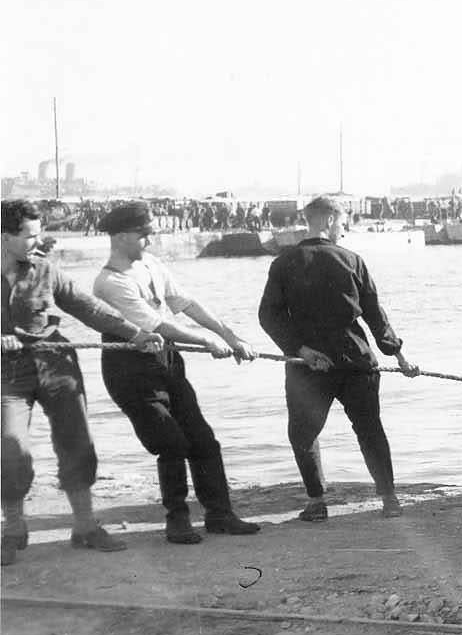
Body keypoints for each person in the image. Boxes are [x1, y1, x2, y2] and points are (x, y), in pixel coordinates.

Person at [2, 199, 164, 565]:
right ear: (5, 236)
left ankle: (85, 526)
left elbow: (88, 307)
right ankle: (12, 529)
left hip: (55, 362)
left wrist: (134, 332)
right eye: (30, 235)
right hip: (7, 374)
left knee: (76, 442)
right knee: (10, 448)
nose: (38, 240)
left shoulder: (45, 269)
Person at [91, 201, 261, 544]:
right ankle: (177, 521)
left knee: (204, 441)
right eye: (144, 236)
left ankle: (219, 515)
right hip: (130, 371)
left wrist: (229, 335)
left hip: (167, 363)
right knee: (171, 443)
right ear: (122, 237)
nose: (150, 242)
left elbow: (186, 303)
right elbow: (158, 324)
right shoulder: (110, 282)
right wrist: (206, 343)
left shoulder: (150, 264)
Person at [257, 195, 419, 522]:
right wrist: (398, 354)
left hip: (309, 366)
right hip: (355, 359)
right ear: (329, 220)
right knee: (370, 429)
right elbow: (375, 316)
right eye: (342, 223)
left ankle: (317, 502)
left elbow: (268, 316)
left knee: (303, 433)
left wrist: (299, 349)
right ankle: (389, 499)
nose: (343, 231)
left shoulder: (283, 263)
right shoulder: (353, 261)